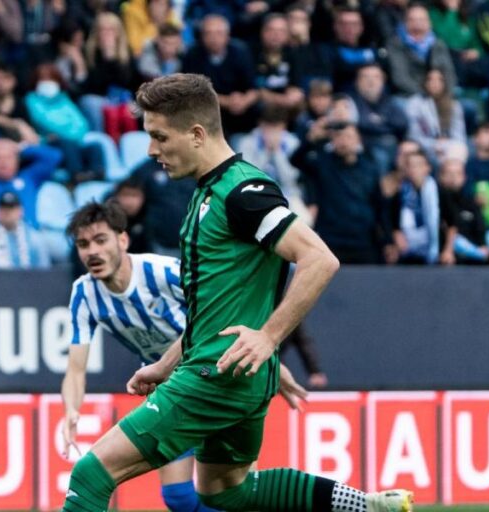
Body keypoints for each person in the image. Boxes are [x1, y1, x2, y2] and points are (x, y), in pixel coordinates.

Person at [59, 73, 414, 512]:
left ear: (196, 133)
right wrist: (166, 363)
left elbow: (320, 259)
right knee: (227, 491)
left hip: (215, 376)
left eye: (158, 136)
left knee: (92, 473)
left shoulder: (243, 192)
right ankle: (364, 506)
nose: (151, 150)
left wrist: (268, 337)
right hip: (232, 372)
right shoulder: (208, 193)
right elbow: (213, 307)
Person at [62, 200, 308, 512]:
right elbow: (75, 369)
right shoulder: (84, 294)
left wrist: (270, 356)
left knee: (231, 491)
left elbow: (226, 307)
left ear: (122, 240)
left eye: (100, 240)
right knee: (178, 497)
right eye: (83, 244)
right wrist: (71, 409)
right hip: (170, 391)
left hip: (215, 376)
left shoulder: (162, 271)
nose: (92, 251)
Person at [292, 122, 393, 264]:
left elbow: (380, 206)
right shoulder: (322, 163)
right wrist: (311, 140)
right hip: (332, 240)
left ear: (358, 139)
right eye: (338, 137)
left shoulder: (370, 168)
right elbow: (295, 160)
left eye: (348, 136)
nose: (344, 141)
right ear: (332, 140)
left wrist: (388, 240)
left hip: (364, 241)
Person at [182, 14, 258, 135]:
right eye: (208, 33)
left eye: (219, 33)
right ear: (202, 36)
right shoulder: (193, 55)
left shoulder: (241, 51)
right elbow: (192, 92)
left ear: (227, 36)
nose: (214, 38)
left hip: (240, 107)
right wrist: (226, 101)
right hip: (208, 107)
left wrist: (244, 101)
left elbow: (254, 88)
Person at [390, 149, 457, 265]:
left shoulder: (439, 192)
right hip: (407, 252)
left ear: (428, 168)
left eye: (419, 165)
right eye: (411, 165)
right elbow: (391, 222)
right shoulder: (399, 193)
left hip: (435, 253)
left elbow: (452, 224)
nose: (415, 169)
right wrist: (396, 237)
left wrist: (448, 250)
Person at [386, 3, 458, 97]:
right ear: (405, 23)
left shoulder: (438, 44)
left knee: (466, 107)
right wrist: (425, 95)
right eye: (412, 20)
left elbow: (449, 74)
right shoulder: (395, 44)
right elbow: (400, 79)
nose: (417, 24)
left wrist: (444, 95)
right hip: (408, 96)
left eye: (421, 20)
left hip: (439, 96)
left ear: (429, 23)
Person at [350, 64, 409, 175]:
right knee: (380, 157)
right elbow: (362, 123)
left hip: (392, 145)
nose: (371, 82)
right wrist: (385, 122)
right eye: (366, 77)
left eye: (376, 77)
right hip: (366, 146)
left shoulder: (389, 100)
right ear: (357, 81)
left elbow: (402, 123)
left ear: (383, 81)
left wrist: (378, 121)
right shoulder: (351, 101)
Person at [0, 192, 51, 269]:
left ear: (21, 211)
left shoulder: (34, 238)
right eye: (3, 208)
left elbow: (43, 270)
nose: (7, 212)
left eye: (11, 208)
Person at [406, 68, 466, 163]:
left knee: (459, 148)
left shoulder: (454, 105)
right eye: (431, 79)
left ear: (445, 83)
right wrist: (434, 144)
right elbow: (413, 135)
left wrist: (445, 144)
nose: (435, 83)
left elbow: (459, 136)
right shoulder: (415, 103)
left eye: (439, 80)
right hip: (424, 146)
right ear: (425, 82)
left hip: (447, 146)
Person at [438, 157, 489, 263]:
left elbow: (481, 234)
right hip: (444, 259)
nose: (453, 178)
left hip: (472, 259)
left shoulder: (472, 204)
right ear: (441, 177)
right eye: (449, 173)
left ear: (464, 177)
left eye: (458, 173)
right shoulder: (434, 205)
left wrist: (483, 247)